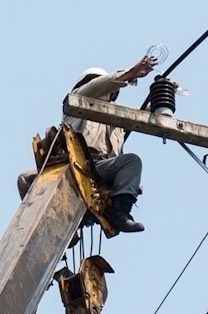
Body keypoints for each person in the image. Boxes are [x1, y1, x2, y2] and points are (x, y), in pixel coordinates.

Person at [17, 56, 159, 233]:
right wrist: (131, 73)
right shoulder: (77, 100)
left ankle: (120, 214)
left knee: (131, 161)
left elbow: (145, 115)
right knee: (26, 177)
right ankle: (47, 223)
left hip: (101, 170)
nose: (102, 89)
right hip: (74, 164)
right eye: (95, 83)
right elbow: (101, 84)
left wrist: (164, 94)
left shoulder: (117, 117)